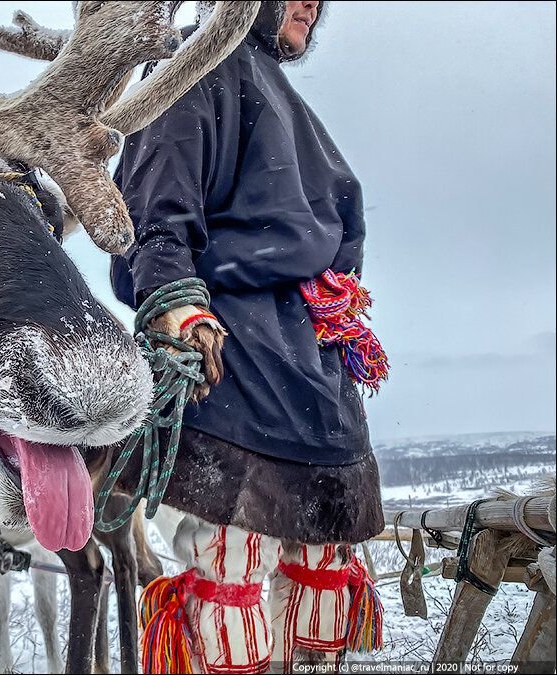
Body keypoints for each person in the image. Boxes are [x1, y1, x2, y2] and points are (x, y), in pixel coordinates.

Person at [111, 1, 388, 671]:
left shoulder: (281, 95)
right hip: (232, 380)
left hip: (322, 399)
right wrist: (178, 307)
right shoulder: (191, 64)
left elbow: (342, 253)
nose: (311, 5)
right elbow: (156, 216)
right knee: (228, 586)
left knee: (321, 601)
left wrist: (338, 312)